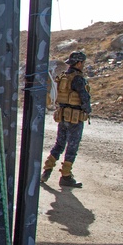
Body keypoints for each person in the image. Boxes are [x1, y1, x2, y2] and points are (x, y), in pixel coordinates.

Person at [42, 50, 91, 188]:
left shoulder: (64, 76)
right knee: (72, 147)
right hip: (75, 117)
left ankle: (46, 171)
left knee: (59, 144)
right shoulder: (78, 78)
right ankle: (66, 176)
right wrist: (87, 110)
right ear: (79, 63)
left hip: (63, 115)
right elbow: (84, 97)